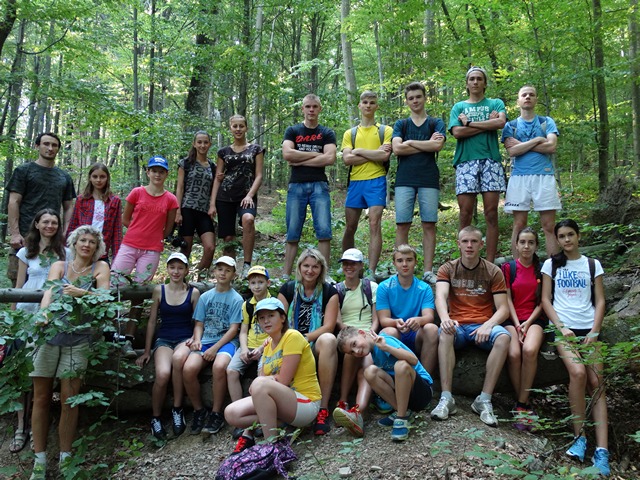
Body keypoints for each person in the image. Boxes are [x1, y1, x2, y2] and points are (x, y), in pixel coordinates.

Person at [29, 226, 110, 480]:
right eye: (82, 240)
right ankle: (39, 461)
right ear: (74, 243)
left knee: (70, 399)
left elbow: (105, 298)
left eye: (92, 242)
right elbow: (48, 294)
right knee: (41, 398)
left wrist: (82, 292)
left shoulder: (100, 268)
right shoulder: (59, 266)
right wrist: (43, 314)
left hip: (79, 340)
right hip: (49, 336)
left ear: (97, 247)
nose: (86, 245)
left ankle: (66, 458)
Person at [541, 219, 610, 476]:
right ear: (557, 239)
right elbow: (545, 300)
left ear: (578, 236)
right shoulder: (551, 265)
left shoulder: (592, 264)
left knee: (597, 383)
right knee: (578, 373)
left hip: (589, 329)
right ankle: (579, 437)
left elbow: (600, 301)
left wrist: (595, 331)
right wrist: (561, 327)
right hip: (564, 330)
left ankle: (602, 451)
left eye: (570, 234)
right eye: (562, 236)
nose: (567, 239)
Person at [430, 226, 510, 427]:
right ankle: (446, 398)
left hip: (483, 325)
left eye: (474, 241)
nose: (469, 245)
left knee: (503, 337)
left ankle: (484, 400)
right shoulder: (448, 268)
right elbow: (440, 296)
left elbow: (503, 309)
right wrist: (445, 318)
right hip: (458, 325)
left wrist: (489, 325)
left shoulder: (493, 271)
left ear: (481, 244)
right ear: (458, 244)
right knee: (445, 332)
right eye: (465, 241)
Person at [225, 298, 322, 453]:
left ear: (282, 317)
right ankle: (282, 425)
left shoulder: (292, 336)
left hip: (306, 403)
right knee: (232, 413)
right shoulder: (268, 346)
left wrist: (267, 379)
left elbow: (282, 381)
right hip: (283, 402)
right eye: (261, 318)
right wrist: (266, 379)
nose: (266, 321)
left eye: (271, 316)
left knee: (260, 384)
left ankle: (271, 447)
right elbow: (261, 383)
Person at [9, 209, 67, 454]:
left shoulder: (64, 253)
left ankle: (36, 427)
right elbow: (18, 285)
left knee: (41, 374)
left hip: (51, 317)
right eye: (45, 221)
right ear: (37, 224)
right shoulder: (26, 252)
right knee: (22, 373)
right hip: (27, 315)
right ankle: (20, 426)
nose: (50, 226)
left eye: (54, 222)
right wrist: (12, 319)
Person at [111, 155, 179, 358]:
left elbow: (168, 228)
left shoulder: (171, 199)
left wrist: (154, 238)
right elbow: (126, 219)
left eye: (161, 171)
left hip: (151, 250)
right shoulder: (137, 193)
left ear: (166, 174)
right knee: (114, 284)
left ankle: (129, 338)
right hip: (129, 245)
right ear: (148, 172)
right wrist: (138, 232)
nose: (157, 174)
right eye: (154, 170)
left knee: (139, 292)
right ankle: (111, 333)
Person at [135, 252, 200, 440]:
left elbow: (198, 321)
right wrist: (147, 350)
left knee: (178, 360)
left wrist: (195, 338)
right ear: (168, 269)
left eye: (180, 268)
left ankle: (177, 409)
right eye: (172, 267)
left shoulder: (193, 292)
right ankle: (155, 417)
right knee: (163, 374)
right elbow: (151, 321)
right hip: (164, 339)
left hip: (185, 339)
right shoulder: (159, 290)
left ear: (186, 270)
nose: (176, 271)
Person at [278, 248, 339, 435]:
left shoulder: (329, 292)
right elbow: (278, 322)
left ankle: (323, 408)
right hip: (290, 343)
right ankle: (284, 412)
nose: (310, 271)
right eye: (306, 266)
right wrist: (294, 341)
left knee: (329, 340)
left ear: (321, 269)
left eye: (315, 267)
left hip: (313, 343)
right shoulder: (287, 289)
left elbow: (329, 326)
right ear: (299, 267)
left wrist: (305, 339)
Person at [449, 67, 507, 262]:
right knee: (465, 213)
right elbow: (457, 133)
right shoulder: (458, 107)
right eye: (472, 79)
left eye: (479, 79)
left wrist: (469, 123)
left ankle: (489, 263)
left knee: (491, 213)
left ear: (485, 83)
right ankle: (465, 261)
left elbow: (500, 123)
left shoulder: (495, 103)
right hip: (466, 162)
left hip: (490, 161)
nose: (475, 82)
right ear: (467, 84)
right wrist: (486, 124)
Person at [337, 327, 433, 442]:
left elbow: (413, 360)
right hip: (404, 396)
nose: (356, 351)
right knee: (369, 372)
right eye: (352, 352)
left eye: (354, 344)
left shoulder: (385, 341)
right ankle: (403, 412)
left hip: (422, 392)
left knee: (401, 365)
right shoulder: (373, 353)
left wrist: (386, 347)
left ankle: (401, 418)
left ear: (362, 333)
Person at [182, 256, 243, 436]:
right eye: (220, 269)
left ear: (233, 274)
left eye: (228, 270)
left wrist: (215, 348)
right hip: (206, 340)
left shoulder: (236, 299)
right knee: (188, 369)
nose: (223, 273)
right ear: (214, 272)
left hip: (226, 342)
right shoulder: (205, 297)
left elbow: (233, 329)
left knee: (219, 366)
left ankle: (216, 413)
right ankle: (199, 410)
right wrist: (197, 339)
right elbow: (199, 324)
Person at [392, 82, 446, 284]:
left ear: (425, 98)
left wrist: (410, 143)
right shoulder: (401, 125)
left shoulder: (435, 123)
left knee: (429, 224)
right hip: (404, 179)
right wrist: (427, 144)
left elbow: (437, 145)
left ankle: (428, 271)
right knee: (402, 225)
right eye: (411, 98)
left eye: (418, 97)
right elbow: (397, 149)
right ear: (406, 101)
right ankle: (401, 270)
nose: (415, 101)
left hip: (428, 179)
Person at [6, 132, 75, 287]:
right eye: (46, 144)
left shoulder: (64, 177)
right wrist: (15, 233)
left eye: (54, 145)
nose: (50, 148)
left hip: (52, 238)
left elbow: (68, 207)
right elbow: (13, 202)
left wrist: (65, 231)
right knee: (18, 284)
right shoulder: (23, 171)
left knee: (51, 284)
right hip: (25, 237)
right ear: (37, 146)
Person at [281, 94, 337, 281]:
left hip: (319, 185)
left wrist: (299, 159)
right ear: (302, 109)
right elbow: (287, 154)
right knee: (292, 231)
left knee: (324, 231)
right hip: (296, 185)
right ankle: (285, 275)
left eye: (314, 106)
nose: (311, 110)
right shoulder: (292, 130)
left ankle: (324, 276)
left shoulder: (327, 133)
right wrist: (317, 155)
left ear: (320, 109)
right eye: (308, 106)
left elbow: (330, 158)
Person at [502, 85, 561, 257]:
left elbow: (551, 146)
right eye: (524, 95)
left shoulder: (546, 122)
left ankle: (553, 267)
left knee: (549, 225)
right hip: (519, 177)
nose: (527, 97)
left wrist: (521, 145)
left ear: (536, 99)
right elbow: (512, 151)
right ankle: (517, 267)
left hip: (544, 175)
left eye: (531, 95)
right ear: (518, 100)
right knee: (519, 225)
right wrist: (537, 140)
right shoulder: (511, 126)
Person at [340, 91, 392, 277]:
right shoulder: (350, 133)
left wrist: (358, 151)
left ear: (376, 106)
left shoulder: (385, 131)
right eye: (365, 102)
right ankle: (347, 264)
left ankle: (371, 271)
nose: (368, 105)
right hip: (356, 182)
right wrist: (373, 153)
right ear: (359, 105)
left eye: (372, 102)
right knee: (350, 227)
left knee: (374, 224)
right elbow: (347, 159)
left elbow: (384, 156)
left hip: (376, 181)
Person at [501, 227, 546, 431]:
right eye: (522, 242)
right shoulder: (508, 268)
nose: (526, 246)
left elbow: (543, 301)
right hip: (511, 319)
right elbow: (507, 299)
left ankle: (521, 404)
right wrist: (517, 323)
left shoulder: (542, 269)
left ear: (536, 246)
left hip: (535, 319)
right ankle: (524, 404)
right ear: (516, 245)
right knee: (513, 354)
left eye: (531, 242)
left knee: (529, 350)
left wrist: (527, 323)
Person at [210, 116, 265, 278]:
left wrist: (250, 195)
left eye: (241, 126)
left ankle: (247, 265)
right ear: (230, 128)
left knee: (248, 219)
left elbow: (259, 175)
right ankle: (229, 272)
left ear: (246, 128)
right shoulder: (223, 152)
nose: (238, 129)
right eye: (235, 126)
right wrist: (212, 203)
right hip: (224, 196)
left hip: (246, 195)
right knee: (228, 237)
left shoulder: (256, 149)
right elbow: (218, 178)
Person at [332, 248, 379, 437]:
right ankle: (344, 402)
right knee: (351, 353)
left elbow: (375, 317)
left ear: (360, 266)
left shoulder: (371, 287)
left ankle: (357, 411)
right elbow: (337, 320)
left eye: (353, 263)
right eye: (346, 263)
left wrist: (370, 332)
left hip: (367, 332)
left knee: (366, 362)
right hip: (346, 334)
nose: (349, 267)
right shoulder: (336, 289)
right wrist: (351, 333)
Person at [376, 244, 438, 375]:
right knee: (388, 332)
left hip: (416, 334)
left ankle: (425, 379)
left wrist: (418, 320)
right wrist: (396, 322)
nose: (404, 264)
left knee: (432, 329)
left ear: (415, 262)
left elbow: (429, 316)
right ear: (394, 263)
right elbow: (383, 319)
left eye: (409, 260)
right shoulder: (384, 287)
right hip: (396, 333)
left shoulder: (424, 288)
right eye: (400, 261)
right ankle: (392, 376)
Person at [226, 265, 271, 438]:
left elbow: (278, 332)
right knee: (231, 370)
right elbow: (243, 331)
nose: (257, 286)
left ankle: (260, 416)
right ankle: (240, 414)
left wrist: (261, 349)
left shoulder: (273, 303)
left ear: (268, 283)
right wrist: (244, 349)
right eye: (253, 283)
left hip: (267, 346)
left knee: (261, 377)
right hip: (249, 345)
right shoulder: (247, 305)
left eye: (260, 282)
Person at [176, 131, 217, 272]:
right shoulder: (185, 163)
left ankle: (200, 278)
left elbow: (214, 188)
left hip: (204, 211)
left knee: (210, 247)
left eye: (205, 142)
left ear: (210, 144)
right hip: (187, 209)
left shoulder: (212, 166)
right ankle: (180, 279)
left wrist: (213, 206)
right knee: (186, 249)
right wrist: (177, 211)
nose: (202, 145)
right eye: (199, 142)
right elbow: (180, 187)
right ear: (194, 144)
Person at [67, 162, 123, 262]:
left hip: (101, 254)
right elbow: (73, 224)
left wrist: (117, 258)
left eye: (102, 177)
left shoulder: (114, 201)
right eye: (95, 176)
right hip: (81, 251)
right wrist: (67, 250)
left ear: (107, 178)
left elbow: (117, 231)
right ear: (90, 178)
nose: (98, 180)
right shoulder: (82, 199)